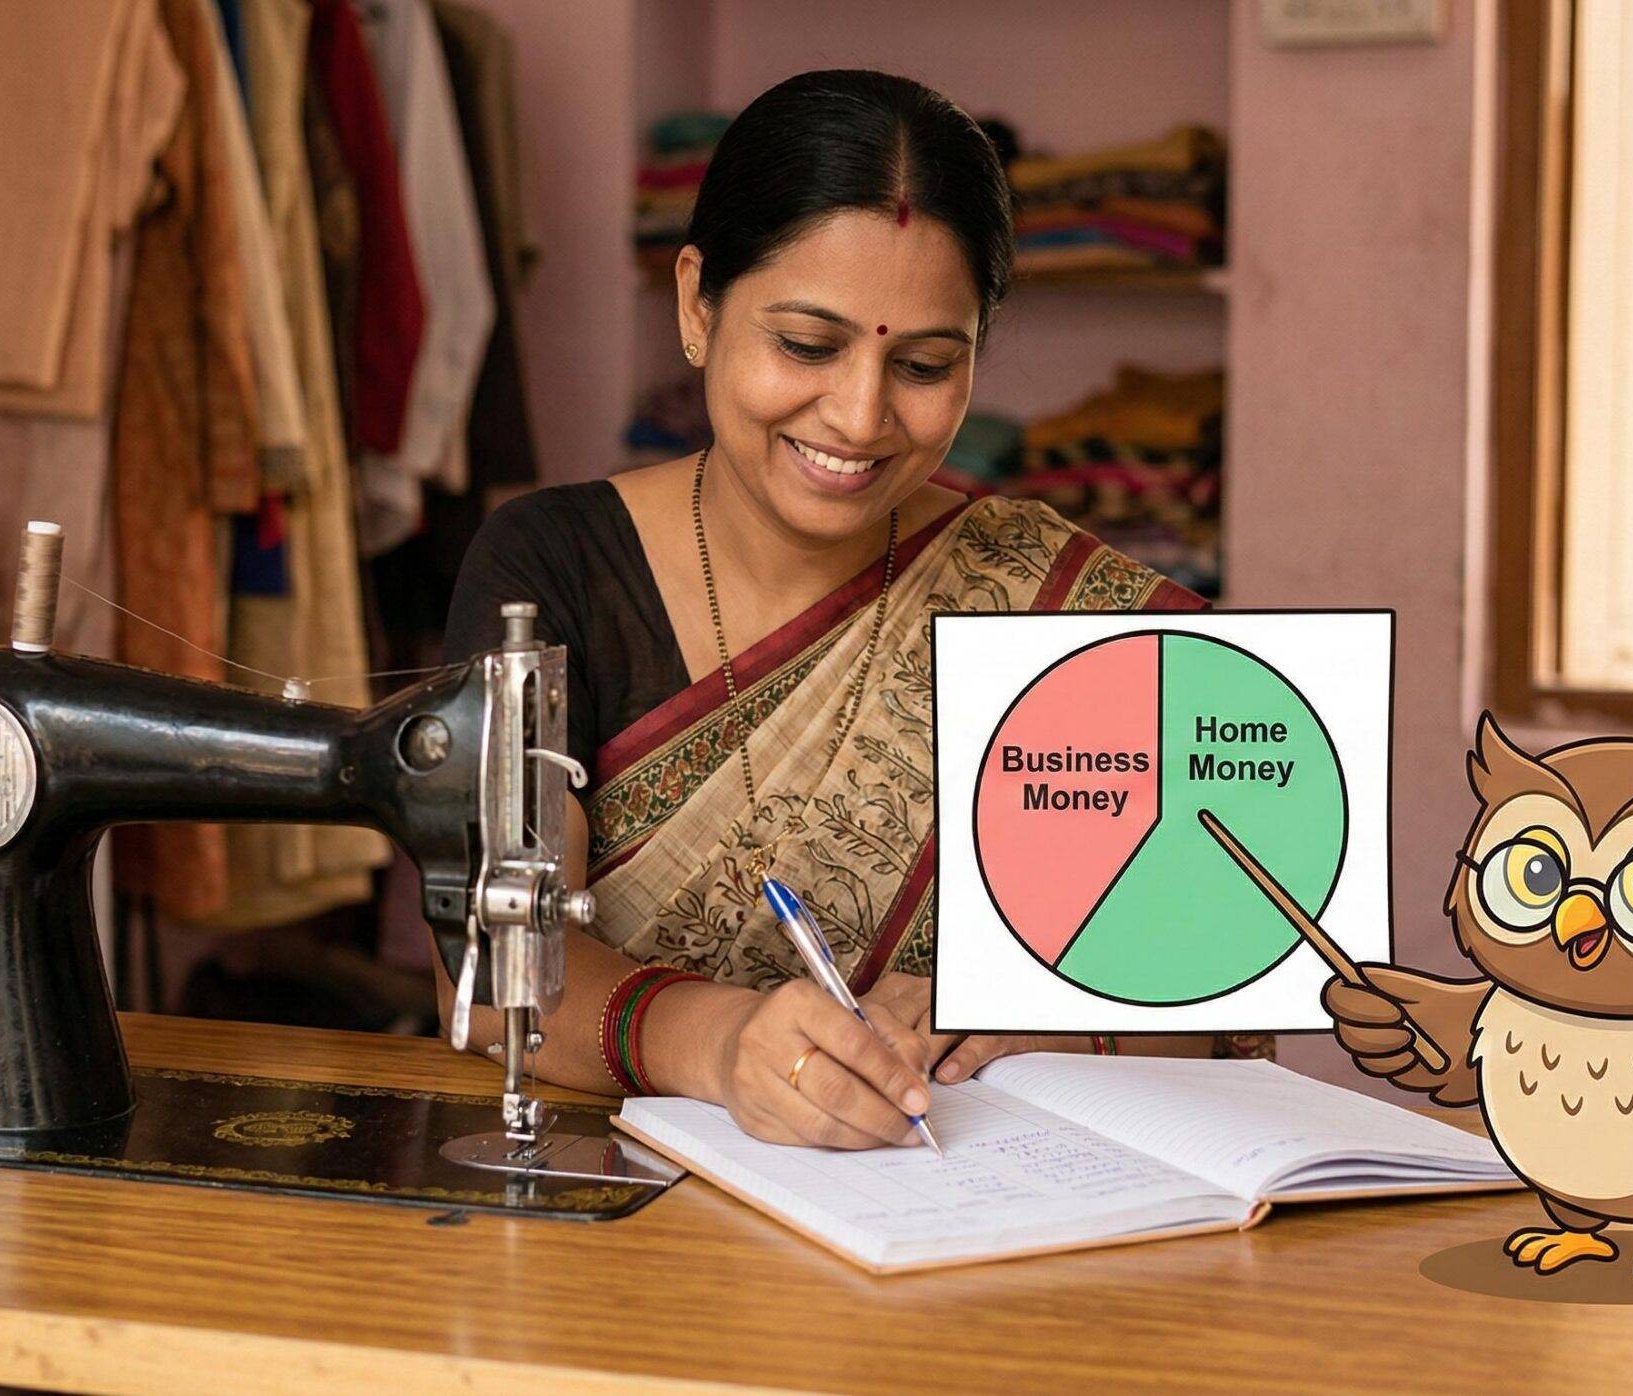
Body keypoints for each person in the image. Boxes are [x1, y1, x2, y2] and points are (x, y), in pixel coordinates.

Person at [442, 69, 1264, 1151]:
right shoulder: (551, 567)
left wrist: (1034, 1013)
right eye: (806, 345)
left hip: (971, 1213)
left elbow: (1222, 996)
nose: (863, 414)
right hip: (621, 1221)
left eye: (924, 363)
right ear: (697, 304)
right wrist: (723, 1042)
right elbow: (506, 969)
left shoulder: (1050, 609)